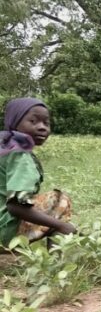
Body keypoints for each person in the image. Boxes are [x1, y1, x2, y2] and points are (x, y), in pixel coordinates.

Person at [0, 97, 75, 247]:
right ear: (15, 122)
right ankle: (54, 264)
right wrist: (61, 225)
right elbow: (15, 206)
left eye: (46, 123)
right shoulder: (20, 157)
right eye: (33, 121)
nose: (42, 127)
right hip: (4, 232)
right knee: (59, 200)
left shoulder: (4, 147)